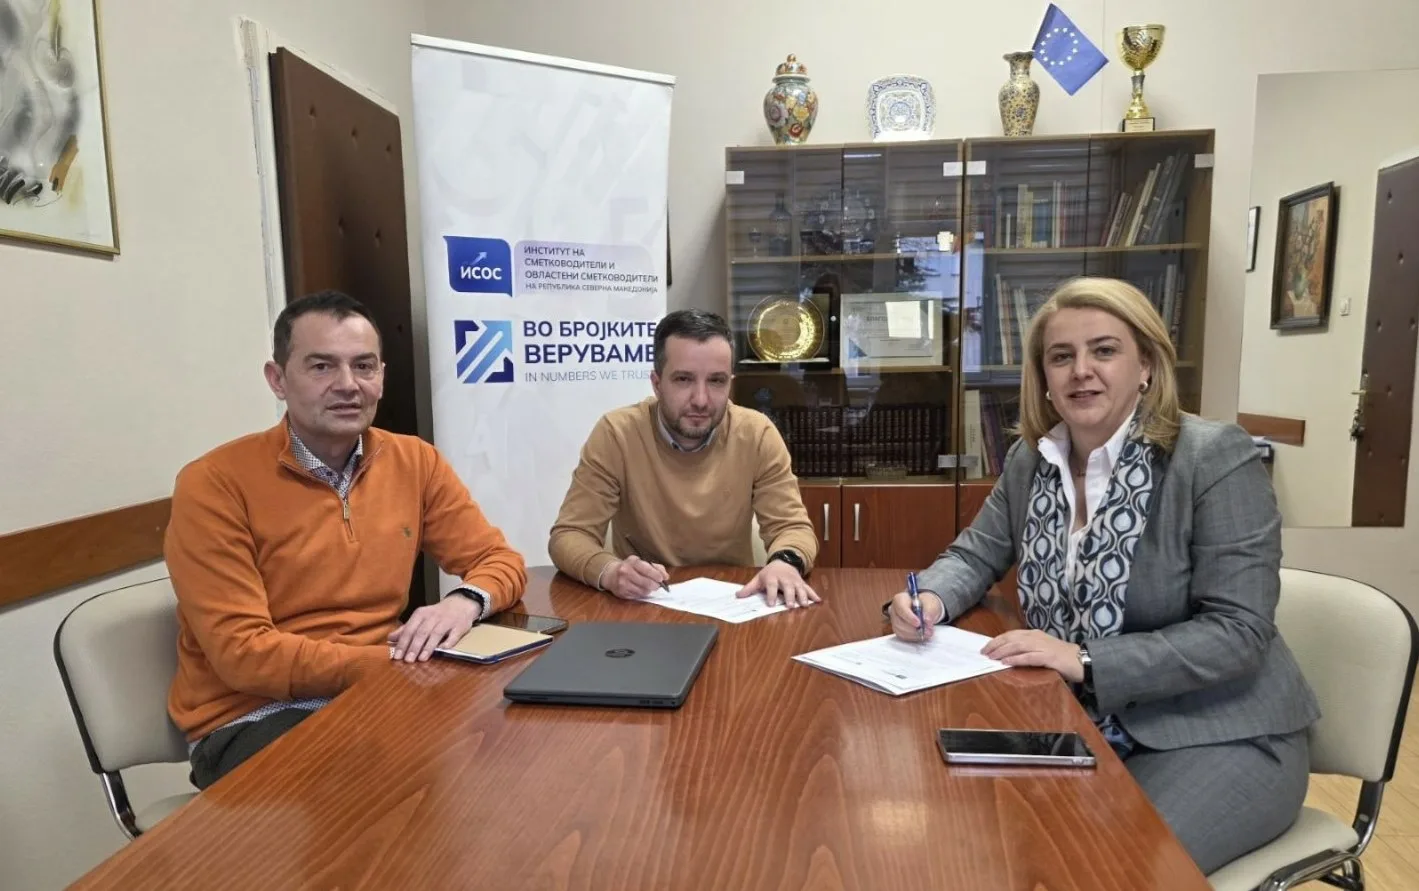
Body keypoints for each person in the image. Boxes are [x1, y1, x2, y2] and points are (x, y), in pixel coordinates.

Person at [886, 277, 1320, 874]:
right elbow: (975, 554)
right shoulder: (1032, 459)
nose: (1081, 371)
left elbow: (1239, 632)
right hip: (1077, 724)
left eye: (1105, 350)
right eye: (1061, 356)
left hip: (1218, 733)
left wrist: (1085, 659)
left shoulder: (1212, 457)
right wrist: (930, 598)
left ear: (1146, 365)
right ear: (1043, 376)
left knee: (1107, 870)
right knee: (982, 844)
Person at [166, 290, 526, 789]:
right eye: (321, 367)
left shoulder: (415, 461)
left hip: (381, 692)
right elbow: (243, 655)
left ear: (381, 376)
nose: (348, 385)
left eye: (364, 366)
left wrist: (463, 602)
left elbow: (499, 560)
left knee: (504, 746)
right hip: (253, 715)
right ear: (277, 379)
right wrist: (394, 663)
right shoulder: (214, 483)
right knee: (386, 789)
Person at [549, 309, 820, 607]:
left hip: (735, 602)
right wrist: (610, 571)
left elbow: (792, 528)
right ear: (657, 383)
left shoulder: (756, 433)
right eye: (683, 379)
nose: (701, 400)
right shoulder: (617, 434)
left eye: (716, 381)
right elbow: (570, 534)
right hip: (644, 602)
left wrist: (785, 563)